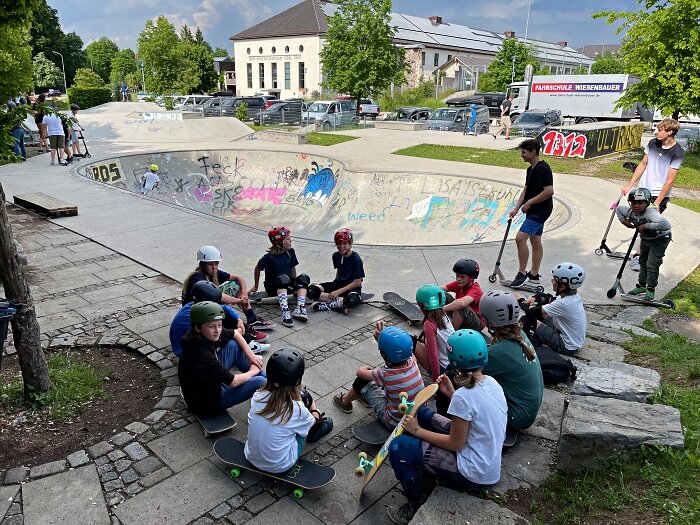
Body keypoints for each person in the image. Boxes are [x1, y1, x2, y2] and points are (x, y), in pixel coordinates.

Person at [385, 329, 507, 525]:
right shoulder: (492, 383)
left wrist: (417, 431)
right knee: (423, 414)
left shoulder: (465, 396)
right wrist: (451, 393)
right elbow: (473, 413)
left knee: (400, 447)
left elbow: (455, 444)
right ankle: (428, 470)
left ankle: (416, 504)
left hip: (474, 471)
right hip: (487, 460)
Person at [244, 349, 333, 473]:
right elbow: (312, 421)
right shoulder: (297, 409)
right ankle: (320, 429)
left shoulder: (258, 395)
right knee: (305, 427)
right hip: (279, 465)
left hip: (251, 456)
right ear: (297, 381)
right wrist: (313, 408)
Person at [178, 301, 266, 419]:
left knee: (233, 345)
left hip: (206, 383)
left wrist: (251, 356)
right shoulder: (201, 355)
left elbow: (235, 333)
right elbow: (233, 382)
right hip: (208, 403)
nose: (217, 330)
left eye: (219, 325)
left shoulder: (199, 334)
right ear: (198, 328)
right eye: (212, 326)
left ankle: (270, 380)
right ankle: (272, 386)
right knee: (259, 381)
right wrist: (253, 371)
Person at [332, 322, 424, 429]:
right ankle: (363, 398)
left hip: (395, 422)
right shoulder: (413, 362)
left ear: (383, 354)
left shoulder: (384, 374)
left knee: (362, 381)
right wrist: (383, 342)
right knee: (382, 383)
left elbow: (359, 372)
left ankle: (345, 401)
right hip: (417, 416)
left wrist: (366, 368)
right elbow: (396, 354)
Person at [621, 118, 684, 271]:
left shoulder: (677, 153)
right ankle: (639, 255)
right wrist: (630, 185)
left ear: (670, 132)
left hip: (658, 194)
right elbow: (643, 164)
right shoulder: (652, 144)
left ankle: (639, 257)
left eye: (660, 130)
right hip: (643, 190)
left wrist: (657, 203)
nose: (656, 132)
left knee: (646, 226)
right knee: (640, 222)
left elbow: (670, 181)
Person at [480, 290, 543, 432]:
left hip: (517, 417)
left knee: (468, 385)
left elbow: (470, 373)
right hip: (527, 410)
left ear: (486, 320)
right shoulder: (519, 333)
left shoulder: (498, 352)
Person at [182, 245, 273, 334]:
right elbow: (219, 297)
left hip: (208, 302)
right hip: (194, 309)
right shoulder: (197, 278)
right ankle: (241, 331)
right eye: (210, 264)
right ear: (202, 265)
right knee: (222, 308)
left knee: (235, 284)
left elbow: (239, 278)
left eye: (216, 264)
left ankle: (251, 318)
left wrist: (244, 295)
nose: (214, 267)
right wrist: (238, 300)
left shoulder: (214, 273)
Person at [169, 280, 270, 358]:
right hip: (188, 352)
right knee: (232, 342)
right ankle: (247, 345)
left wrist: (238, 319)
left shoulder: (197, 306)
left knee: (222, 315)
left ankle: (247, 344)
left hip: (197, 344)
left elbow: (223, 307)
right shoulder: (193, 317)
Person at [508, 139, 554, 287]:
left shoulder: (543, 169)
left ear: (533, 152)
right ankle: (534, 275)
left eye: (524, 152)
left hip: (541, 210)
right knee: (535, 240)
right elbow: (526, 189)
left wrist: (529, 203)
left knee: (520, 239)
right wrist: (517, 207)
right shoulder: (531, 169)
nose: (522, 155)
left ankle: (521, 273)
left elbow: (549, 191)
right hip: (534, 209)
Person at [616, 188, 672, 301]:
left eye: (640, 203)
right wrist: (624, 221)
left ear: (647, 203)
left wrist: (645, 226)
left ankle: (650, 290)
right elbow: (618, 209)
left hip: (660, 239)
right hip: (646, 239)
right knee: (643, 261)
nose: (635, 206)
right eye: (633, 203)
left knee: (652, 263)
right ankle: (641, 286)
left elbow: (666, 225)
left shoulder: (651, 213)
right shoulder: (630, 211)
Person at [518, 262, 587, 355]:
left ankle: (530, 348)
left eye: (554, 280)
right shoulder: (573, 297)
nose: (552, 281)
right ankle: (539, 336)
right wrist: (535, 298)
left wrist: (520, 300)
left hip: (566, 346)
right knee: (541, 310)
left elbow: (531, 311)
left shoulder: (564, 303)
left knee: (526, 319)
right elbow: (549, 298)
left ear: (562, 286)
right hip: (572, 340)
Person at [250, 227, 311, 327]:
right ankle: (285, 312)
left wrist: (295, 283)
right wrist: (255, 286)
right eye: (288, 239)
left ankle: (300, 308)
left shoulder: (290, 252)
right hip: (273, 286)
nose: (291, 241)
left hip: (287, 284)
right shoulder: (269, 257)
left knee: (304, 278)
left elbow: (292, 267)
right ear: (280, 242)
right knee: (283, 278)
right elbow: (257, 268)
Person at [309, 228, 365, 313]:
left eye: (345, 243)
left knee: (352, 300)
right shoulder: (336, 255)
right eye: (339, 244)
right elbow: (339, 271)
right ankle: (340, 303)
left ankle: (325, 305)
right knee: (311, 290)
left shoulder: (355, 258)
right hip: (338, 284)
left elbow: (357, 282)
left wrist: (337, 292)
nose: (342, 246)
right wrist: (334, 289)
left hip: (352, 288)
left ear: (350, 244)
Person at [413, 284, 454, 383]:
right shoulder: (445, 315)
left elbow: (433, 355)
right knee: (424, 342)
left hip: (445, 368)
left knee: (412, 341)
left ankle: (409, 369)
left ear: (422, 306)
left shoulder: (429, 324)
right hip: (454, 364)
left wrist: (436, 381)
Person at [441, 258, 485, 332]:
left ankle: (451, 333)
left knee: (460, 306)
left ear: (471, 278)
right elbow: (441, 289)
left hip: (476, 323)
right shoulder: (459, 283)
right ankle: (432, 320)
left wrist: (441, 310)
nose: (458, 279)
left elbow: (462, 303)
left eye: (462, 277)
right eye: (457, 275)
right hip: (462, 317)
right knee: (440, 294)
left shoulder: (476, 290)